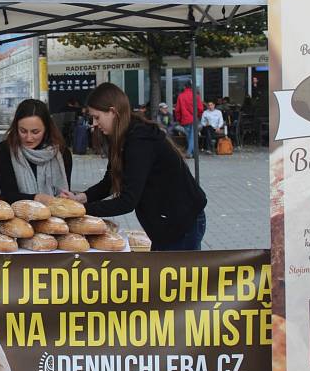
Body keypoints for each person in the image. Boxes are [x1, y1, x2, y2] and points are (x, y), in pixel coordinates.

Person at [61, 83, 207, 251]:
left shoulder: (139, 141)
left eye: (97, 117)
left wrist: (80, 210)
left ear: (113, 112)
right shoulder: (123, 136)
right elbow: (109, 181)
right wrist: (80, 198)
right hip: (166, 222)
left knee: (176, 277)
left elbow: (127, 201)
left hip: (182, 222)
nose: (94, 123)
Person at [0, 99, 72, 204]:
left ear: (46, 129)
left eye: (35, 132)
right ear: (16, 127)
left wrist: (65, 198)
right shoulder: (4, 150)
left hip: (54, 216)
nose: (29, 138)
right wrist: (37, 198)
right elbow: (8, 195)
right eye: (23, 131)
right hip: (15, 216)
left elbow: (65, 191)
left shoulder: (62, 152)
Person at [174, 81, 203, 158]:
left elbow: (177, 110)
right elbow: (200, 109)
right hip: (194, 119)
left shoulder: (181, 96)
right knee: (192, 137)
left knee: (189, 137)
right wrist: (198, 116)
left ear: (185, 87)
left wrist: (179, 119)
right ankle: (192, 153)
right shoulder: (196, 96)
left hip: (185, 119)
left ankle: (190, 152)